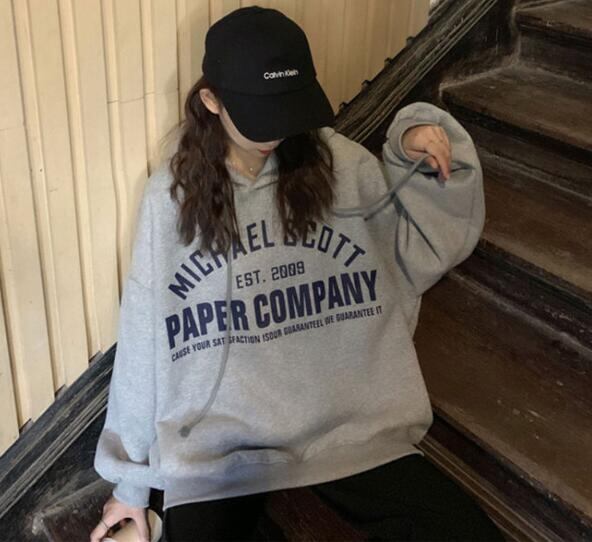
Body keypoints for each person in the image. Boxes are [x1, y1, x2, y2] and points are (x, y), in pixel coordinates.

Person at [90, 5, 505, 542]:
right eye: (260, 114)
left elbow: (419, 251)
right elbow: (144, 336)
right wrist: (131, 486)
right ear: (211, 101)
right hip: (221, 449)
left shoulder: (341, 165)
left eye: (287, 109)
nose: (277, 133)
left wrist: (411, 141)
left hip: (350, 429)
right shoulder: (171, 199)